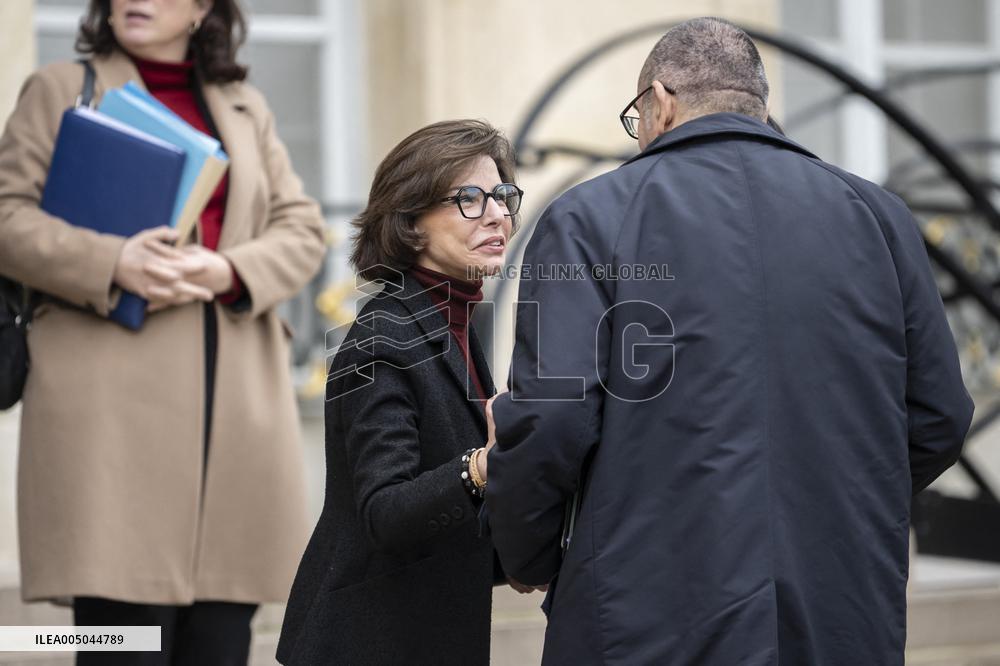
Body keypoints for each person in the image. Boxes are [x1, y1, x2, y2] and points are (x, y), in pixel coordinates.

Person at [482, 17, 974, 665]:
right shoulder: (880, 216)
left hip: (641, 615)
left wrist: (527, 551)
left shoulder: (585, 217)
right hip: (839, 609)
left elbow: (550, 416)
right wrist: (842, 499)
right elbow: (939, 415)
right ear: (760, 105)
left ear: (659, 102)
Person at [0, 0, 325, 663]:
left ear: (203, 8)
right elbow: (7, 217)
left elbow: (302, 229)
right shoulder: (62, 89)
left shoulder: (244, 104)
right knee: (121, 637)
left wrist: (226, 269)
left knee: (220, 636)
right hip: (110, 410)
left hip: (232, 406)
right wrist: (112, 260)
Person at [277, 120, 534, 666]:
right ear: (410, 222)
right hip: (362, 644)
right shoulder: (383, 339)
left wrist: (510, 558)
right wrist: (482, 467)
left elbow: (434, 526)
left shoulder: (451, 321)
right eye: (468, 198)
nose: (496, 214)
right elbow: (385, 514)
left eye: (503, 196)